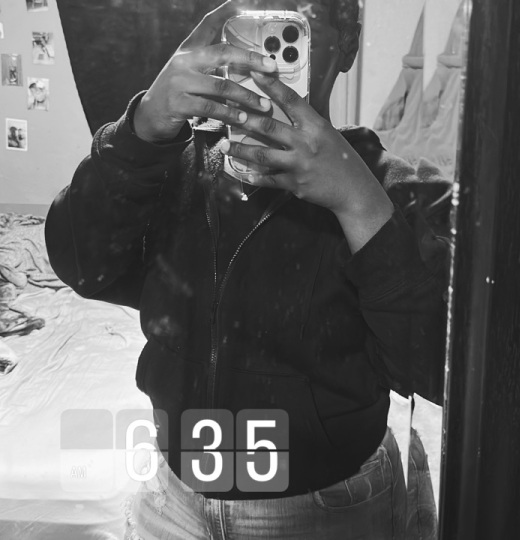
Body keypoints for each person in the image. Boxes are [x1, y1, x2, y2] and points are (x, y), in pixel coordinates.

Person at [45, 0, 447, 537]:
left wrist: (359, 203)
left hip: (327, 505)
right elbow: (81, 265)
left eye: (290, 21)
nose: (264, 53)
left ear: (348, 42)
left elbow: (444, 372)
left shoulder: (396, 191)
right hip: (172, 495)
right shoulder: (170, 166)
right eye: (249, 23)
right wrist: (141, 129)